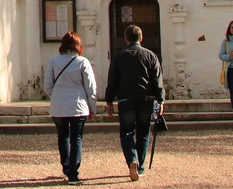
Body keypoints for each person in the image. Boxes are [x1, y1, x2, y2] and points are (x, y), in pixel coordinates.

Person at [105, 24, 164, 182]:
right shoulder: (150, 55)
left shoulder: (119, 56)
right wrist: (160, 99)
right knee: (143, 132)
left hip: (126, 99)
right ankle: (141, 165)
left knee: (126, 132)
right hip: (145, 98)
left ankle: (132, 159)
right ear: (141, 37)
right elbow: (157, 80)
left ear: (125, 39)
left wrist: (109, 100)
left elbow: (113, 79)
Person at [43, 30, 97, 185]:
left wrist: (58, 95)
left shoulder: (54, 61)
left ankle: (66, 166)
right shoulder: (83, 62)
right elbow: (90, 88)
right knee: (76, 138)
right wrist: (92, 107)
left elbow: (47, 85)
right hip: (78, 106)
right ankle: (73, 172)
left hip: (59, 107)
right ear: (78, 46)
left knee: (63, 136)